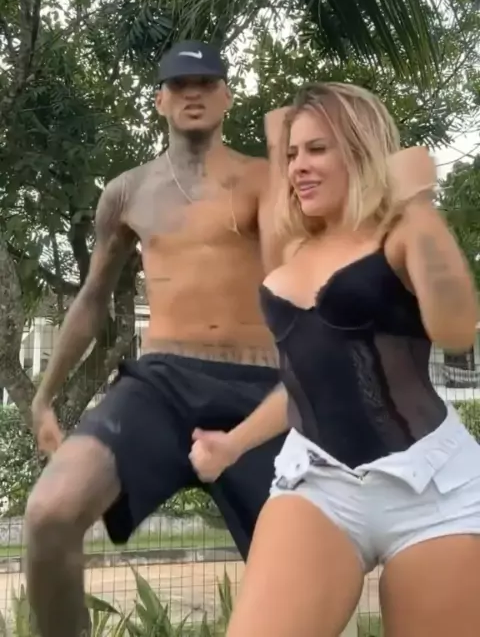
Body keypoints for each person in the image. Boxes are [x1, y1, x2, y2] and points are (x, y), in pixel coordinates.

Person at [190, 81, 480, 637]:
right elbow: (305, 380)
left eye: (317, 149)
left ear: (362, 151)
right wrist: (234, 443)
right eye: (293, 154)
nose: (298, 166)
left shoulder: (399, 234)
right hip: (318, 482)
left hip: (432, 489)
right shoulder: (292, 246)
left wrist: (419, 205)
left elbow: (455, 328)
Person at [24, 40, 285, 637]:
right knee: (49, 513)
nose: (193, 94)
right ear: (160, 101)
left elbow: (306, 278)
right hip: (163, 383)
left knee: (302, 574)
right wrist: (45, 395)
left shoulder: (268, 179)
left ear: (227, 96)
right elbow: (92, 299)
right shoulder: (127, 191)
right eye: (179, 85)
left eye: (206, 83)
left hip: (262, 385)